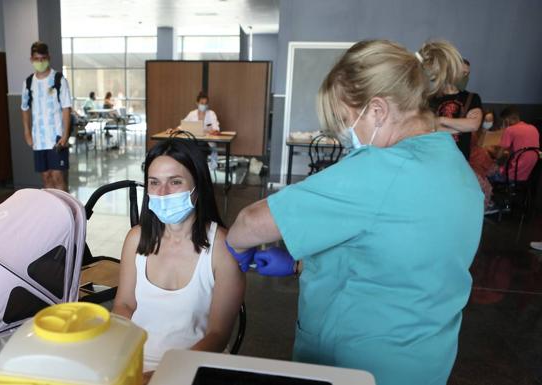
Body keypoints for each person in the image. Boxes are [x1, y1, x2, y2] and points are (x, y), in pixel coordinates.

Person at [225, 40, 483, 385]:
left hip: (356, 366)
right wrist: (302, 264)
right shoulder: (455, 168)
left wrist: (237, 253)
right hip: (424, 361)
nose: (347, 137)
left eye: (347, 121)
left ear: (377, 110)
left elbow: (250, 222)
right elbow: (396, 252)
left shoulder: (382, 168)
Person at [112, 139, 245, 381]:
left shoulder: (221, 248)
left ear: (198, 186)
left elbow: (218, 335)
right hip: (136, 362)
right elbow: (125, 305)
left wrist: (163, 374)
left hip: (196, 365)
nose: (162, 193)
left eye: (175, 182)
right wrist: (111, 351)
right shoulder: (136, 239)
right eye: (154, 183)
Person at [21, 41, 72, 191]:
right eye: (37, 59)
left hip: (56, 139)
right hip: (39, 140)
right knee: (46, 177)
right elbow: (24, 108)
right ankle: (52, 211)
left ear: (48, 57)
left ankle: (65, 212)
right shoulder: (28, 82)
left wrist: (65, 134)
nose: (40, 62)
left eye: (43, 58)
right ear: (32, 60)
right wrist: (27, 132)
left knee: (58, 176)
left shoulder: (59, 80)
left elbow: (66, 108)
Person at [419, 42, 483, 160]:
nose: (465, 77)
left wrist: (440, 120)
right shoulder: (431, 97)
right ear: (451, 72)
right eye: (462, 73)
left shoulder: (472, 97)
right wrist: (461, 126)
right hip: (434, 156)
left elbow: (473, 125)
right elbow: (427, 127)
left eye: (467, 74)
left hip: (460, 158)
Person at [489, 106, 539, 182]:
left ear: (506, 120)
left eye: (502, 121)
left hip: (512, 176)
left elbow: (498, 155)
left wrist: (489, 150)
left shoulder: (510, 130)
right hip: (530, 175)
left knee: (487, 174)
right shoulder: (533, 128)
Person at [182, 91, 221, 169]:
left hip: (207, 143)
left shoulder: (211, 114)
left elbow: (216, 129)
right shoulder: (192, 114)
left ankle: (200, 170)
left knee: (199, 151)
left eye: (206, 103)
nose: (204, 105)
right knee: (188, 149)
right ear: (197, 103)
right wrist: (174, 129)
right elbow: (183, 125)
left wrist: (210, 131)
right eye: (202, 103)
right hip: (194, 142)